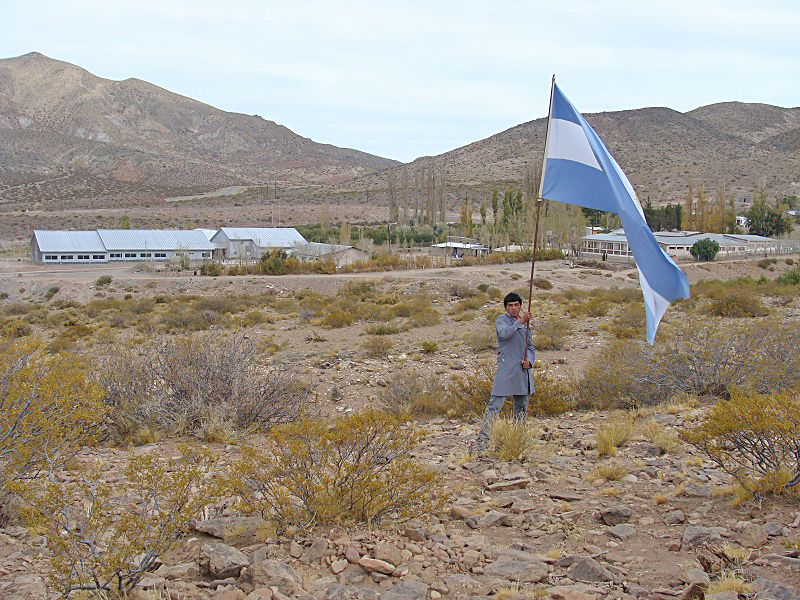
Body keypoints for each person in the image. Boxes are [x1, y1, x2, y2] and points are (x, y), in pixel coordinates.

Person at [475, 292, 535, 454]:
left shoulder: (526, 325)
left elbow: (530, 347)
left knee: (521, 407)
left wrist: (529, 361)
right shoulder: (501, 320)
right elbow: (504, 334)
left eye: (516, 305)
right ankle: (482, 441)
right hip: (506, 370)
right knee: (494, 406)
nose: (514, 308)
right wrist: (521, 322)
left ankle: (517, 439)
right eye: (510, 305)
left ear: (521, 305)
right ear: (505, 307)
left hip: (523, 371)